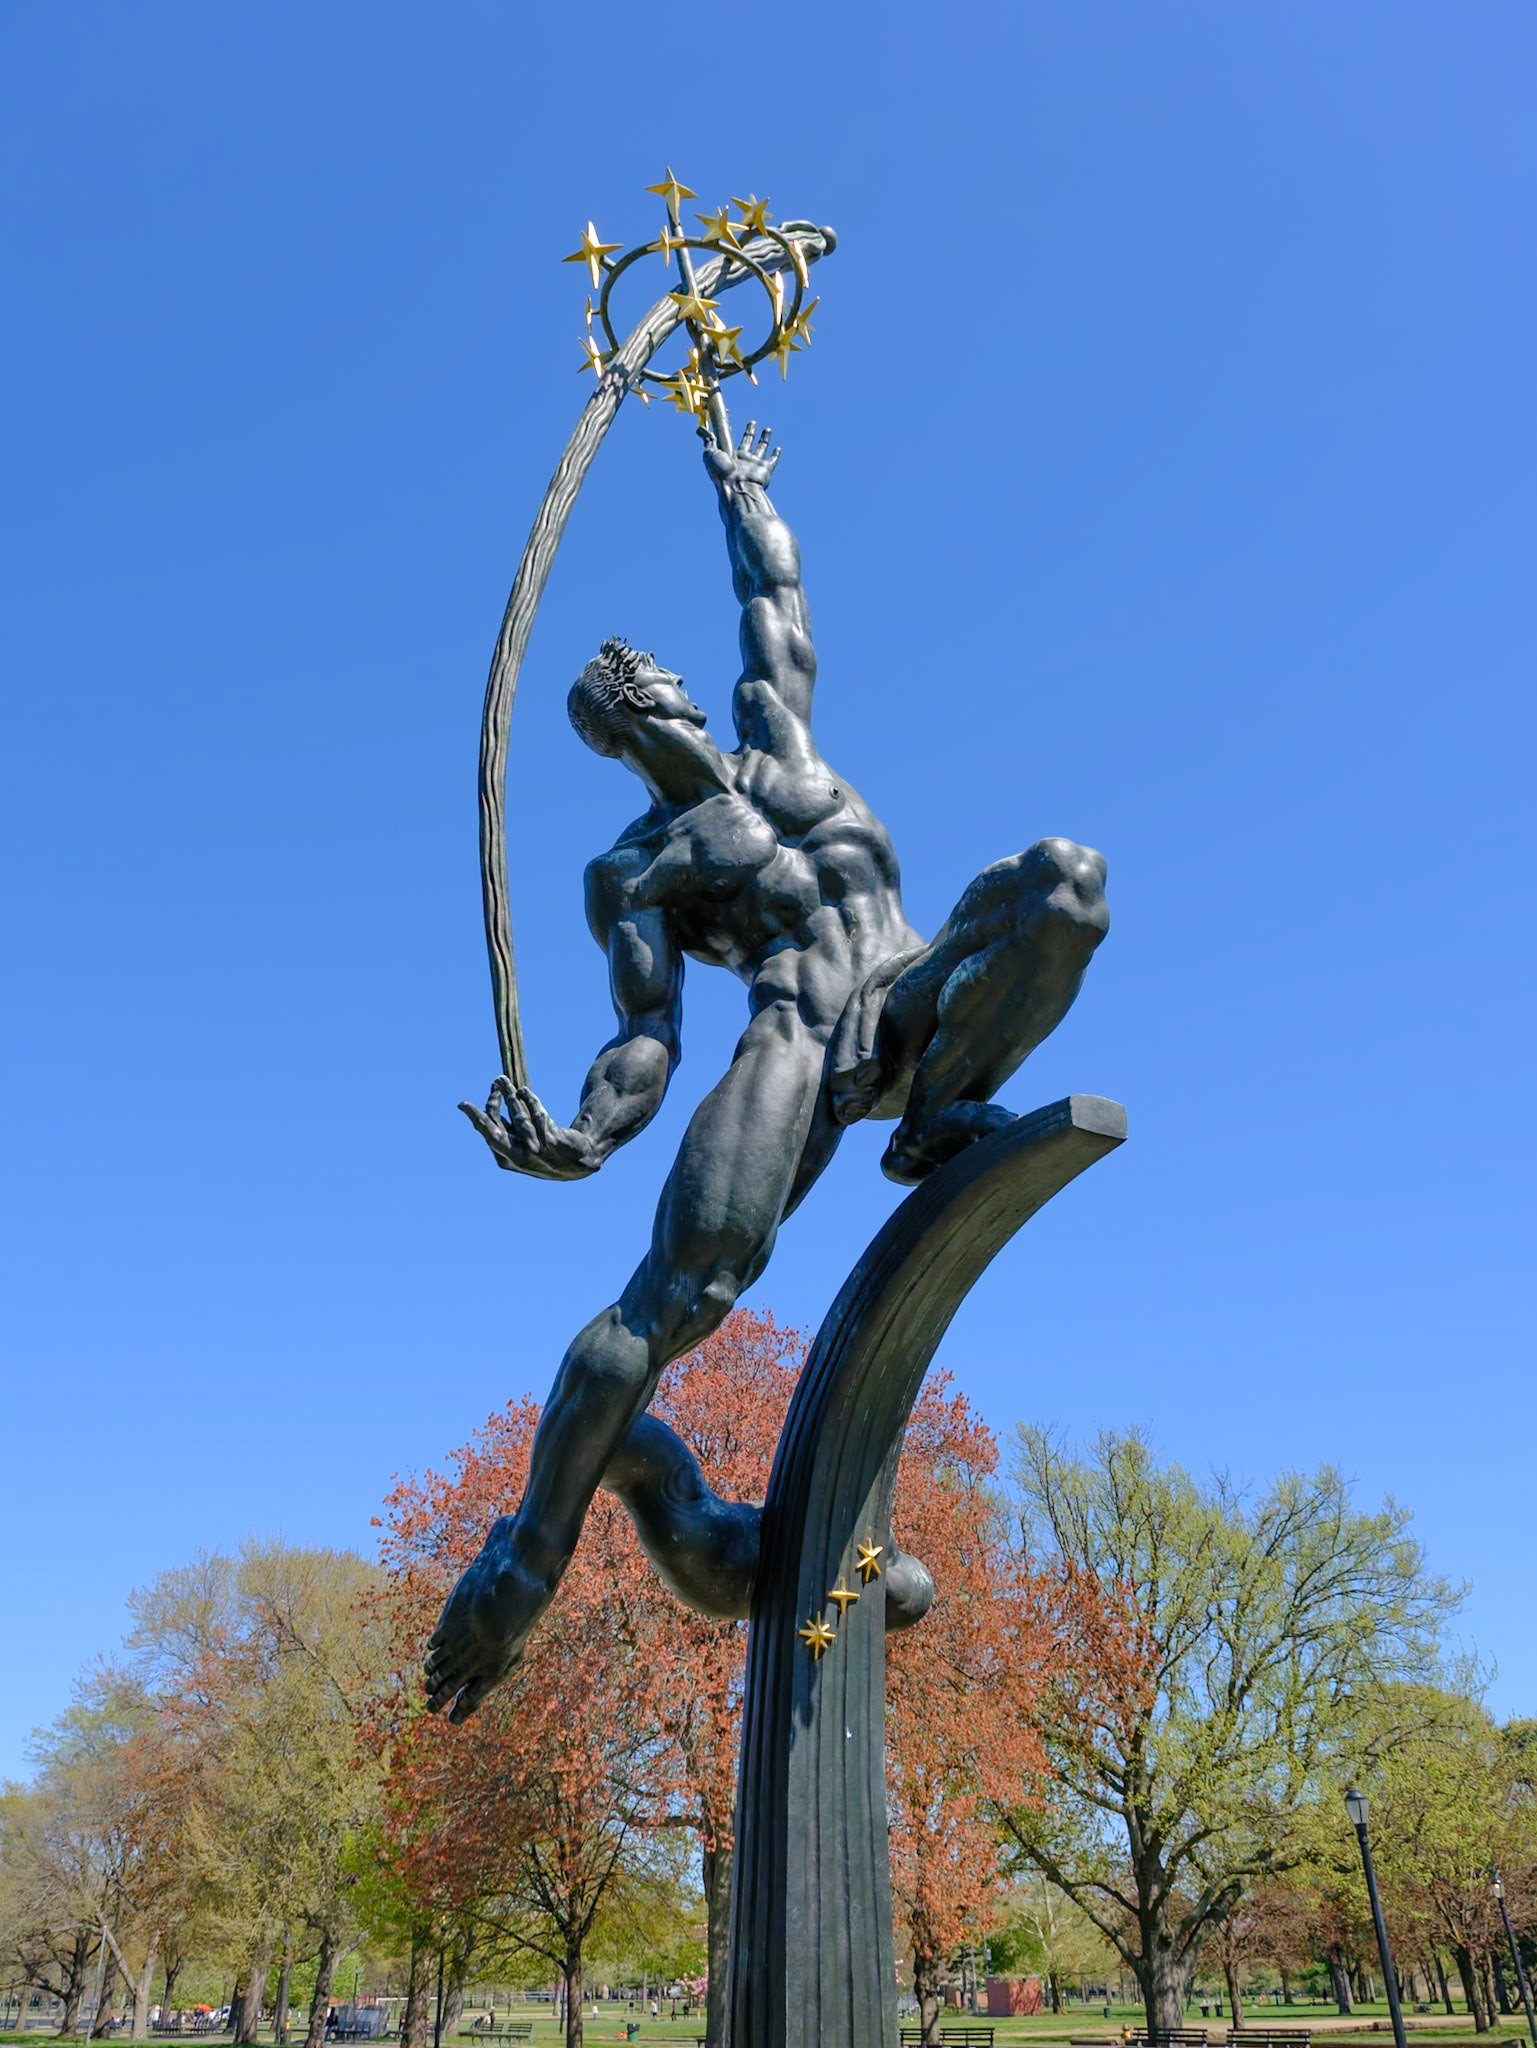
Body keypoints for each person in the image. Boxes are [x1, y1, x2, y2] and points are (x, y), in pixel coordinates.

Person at [425, 418, 1109, 1722]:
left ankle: (932, 1119)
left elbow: (774, 601)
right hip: (790, 1039)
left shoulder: (778, 746)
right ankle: (530, 1553)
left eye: (644, 670)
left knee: (1062, 889)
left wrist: (742, 495)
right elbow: (645, 1037)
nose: (645, 685)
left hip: (911, 994)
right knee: (674, 1292)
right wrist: (582, 1135)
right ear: (614, 730)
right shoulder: (632, 872)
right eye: (621, 690)